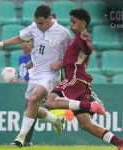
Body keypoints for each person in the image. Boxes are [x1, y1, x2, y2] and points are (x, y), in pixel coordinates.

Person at [0, 4, 105, 147]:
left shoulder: (63, 33)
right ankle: (56, 120)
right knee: (30, 107)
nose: (38, 25)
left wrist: (60, 62)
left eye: (41, 22)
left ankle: (20, 139)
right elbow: (21, 38)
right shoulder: (34, 27)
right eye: (37, 22)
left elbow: (71, 54)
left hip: (51, 75)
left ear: (50, 18)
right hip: (35, 74)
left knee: (35, 98)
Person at [44, 8, 123, 150]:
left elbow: (88, 50)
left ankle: (92, 105)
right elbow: (77, 58)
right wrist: (61, 63)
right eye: (70, 21)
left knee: (50, 102)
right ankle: (119, 143)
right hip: (81, 82)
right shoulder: (76, 38)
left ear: (83, 23)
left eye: (74, 21)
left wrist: (86, 41)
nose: (71, 24)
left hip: (74, 79)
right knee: (86, 124)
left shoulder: (82, 37)